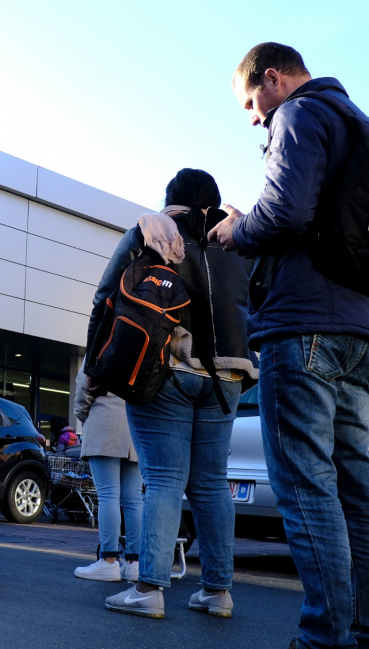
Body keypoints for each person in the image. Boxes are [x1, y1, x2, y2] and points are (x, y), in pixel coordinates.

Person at [206, 43, 369, 647]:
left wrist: (240, 228)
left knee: (307, 487)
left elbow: (286, 213)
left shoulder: (299, 115)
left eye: (251, 102)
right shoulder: (363, 126)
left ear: (273, 78)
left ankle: (323, 639)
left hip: (306, 325)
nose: (254, 118)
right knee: (355, 490)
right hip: (362, 330)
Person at [95, 168, 254, 620]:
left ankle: (149, 590)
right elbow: (259, 301)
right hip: (228, 375)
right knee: (210, 484)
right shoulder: (239, 241)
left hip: (168, 367)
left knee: (163, 479)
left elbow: (106, 296)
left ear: (172, 199)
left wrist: (95, 366)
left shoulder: (151, 232)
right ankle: (218, 592)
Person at [71, 365, 141, 583]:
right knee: (135, 500)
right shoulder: (147, 339)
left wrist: (83, 414)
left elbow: (84, 385)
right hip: (137, 425)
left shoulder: (103, 340)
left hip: (105, 421)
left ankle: (109, 561)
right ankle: (135, 563)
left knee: (108, 496)